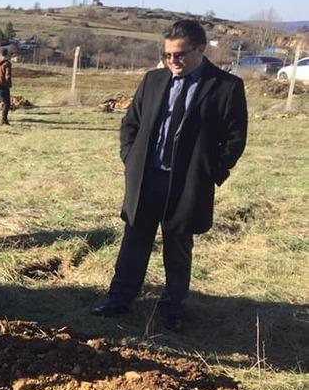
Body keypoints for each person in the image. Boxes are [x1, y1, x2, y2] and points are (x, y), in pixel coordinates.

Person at [90, 20, 248, 331]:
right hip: (147, 179)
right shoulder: (153, 80)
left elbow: (235, 138)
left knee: (178, 248)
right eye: (167, 55)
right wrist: (131, 159)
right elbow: (131, 124)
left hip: (188, 184)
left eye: (179, 55)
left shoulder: (226, 87)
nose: (172, 61)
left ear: (200, 49)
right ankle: (119, 299)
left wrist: (210, 172)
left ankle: (172, 309)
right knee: (134, 241)